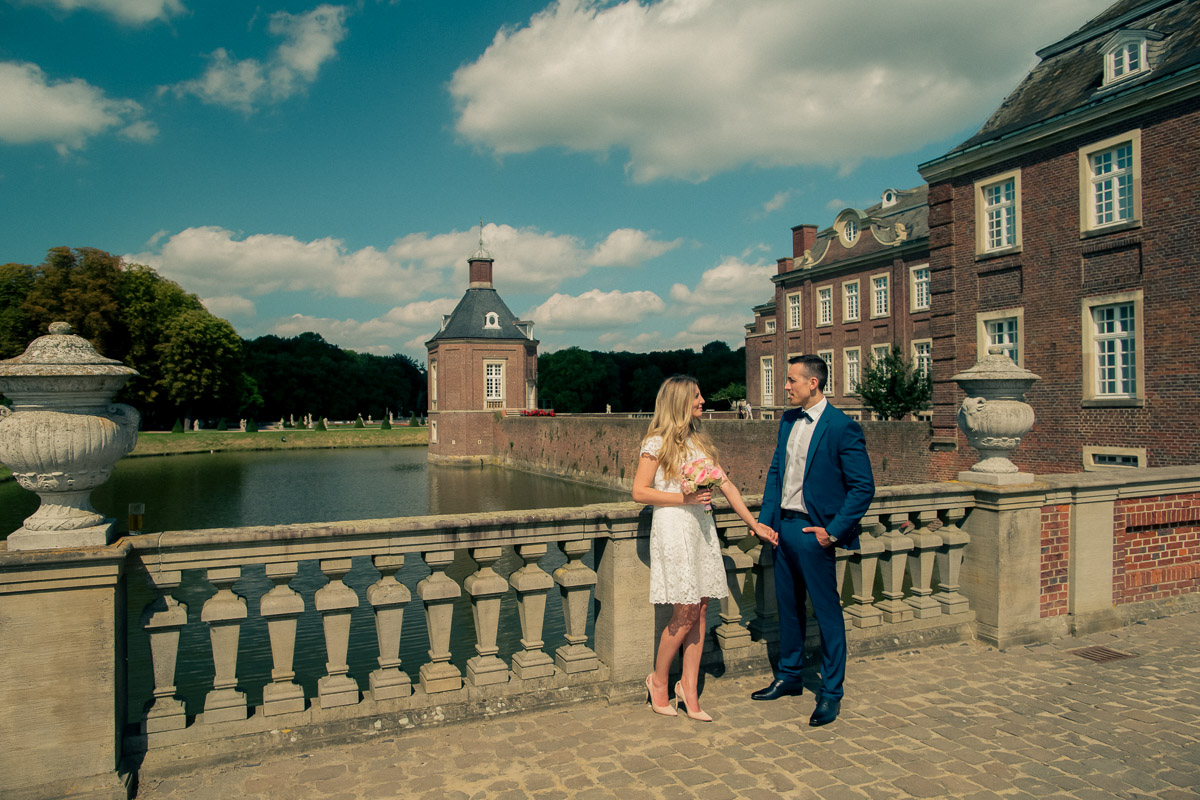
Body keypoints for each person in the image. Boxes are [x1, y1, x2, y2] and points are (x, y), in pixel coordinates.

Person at [633, 375, 774, 722]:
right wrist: (685, 497)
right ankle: (659, 680)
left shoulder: (700, 442)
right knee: (683, 614)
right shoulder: (656, 441)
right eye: (696, 396)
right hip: (673, 528)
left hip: (701, 528)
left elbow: (728, 486)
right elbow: (639, 492)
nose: (703, 400)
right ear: (680, 401)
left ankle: (690, 689)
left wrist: (753, 525)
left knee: (702, 607)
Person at [753, 354, 875, 727]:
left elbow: (862, 487)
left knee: (826, 614)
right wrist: (765, 521)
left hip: (814, 534)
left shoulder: (842, 427)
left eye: (791, 380)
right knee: (787, 608)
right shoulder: (788, 420)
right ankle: (789, 676)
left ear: (813, 384)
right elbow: (777, 473)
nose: (785, 386)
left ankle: (831, 693)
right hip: (783, 529)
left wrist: (833, 531)